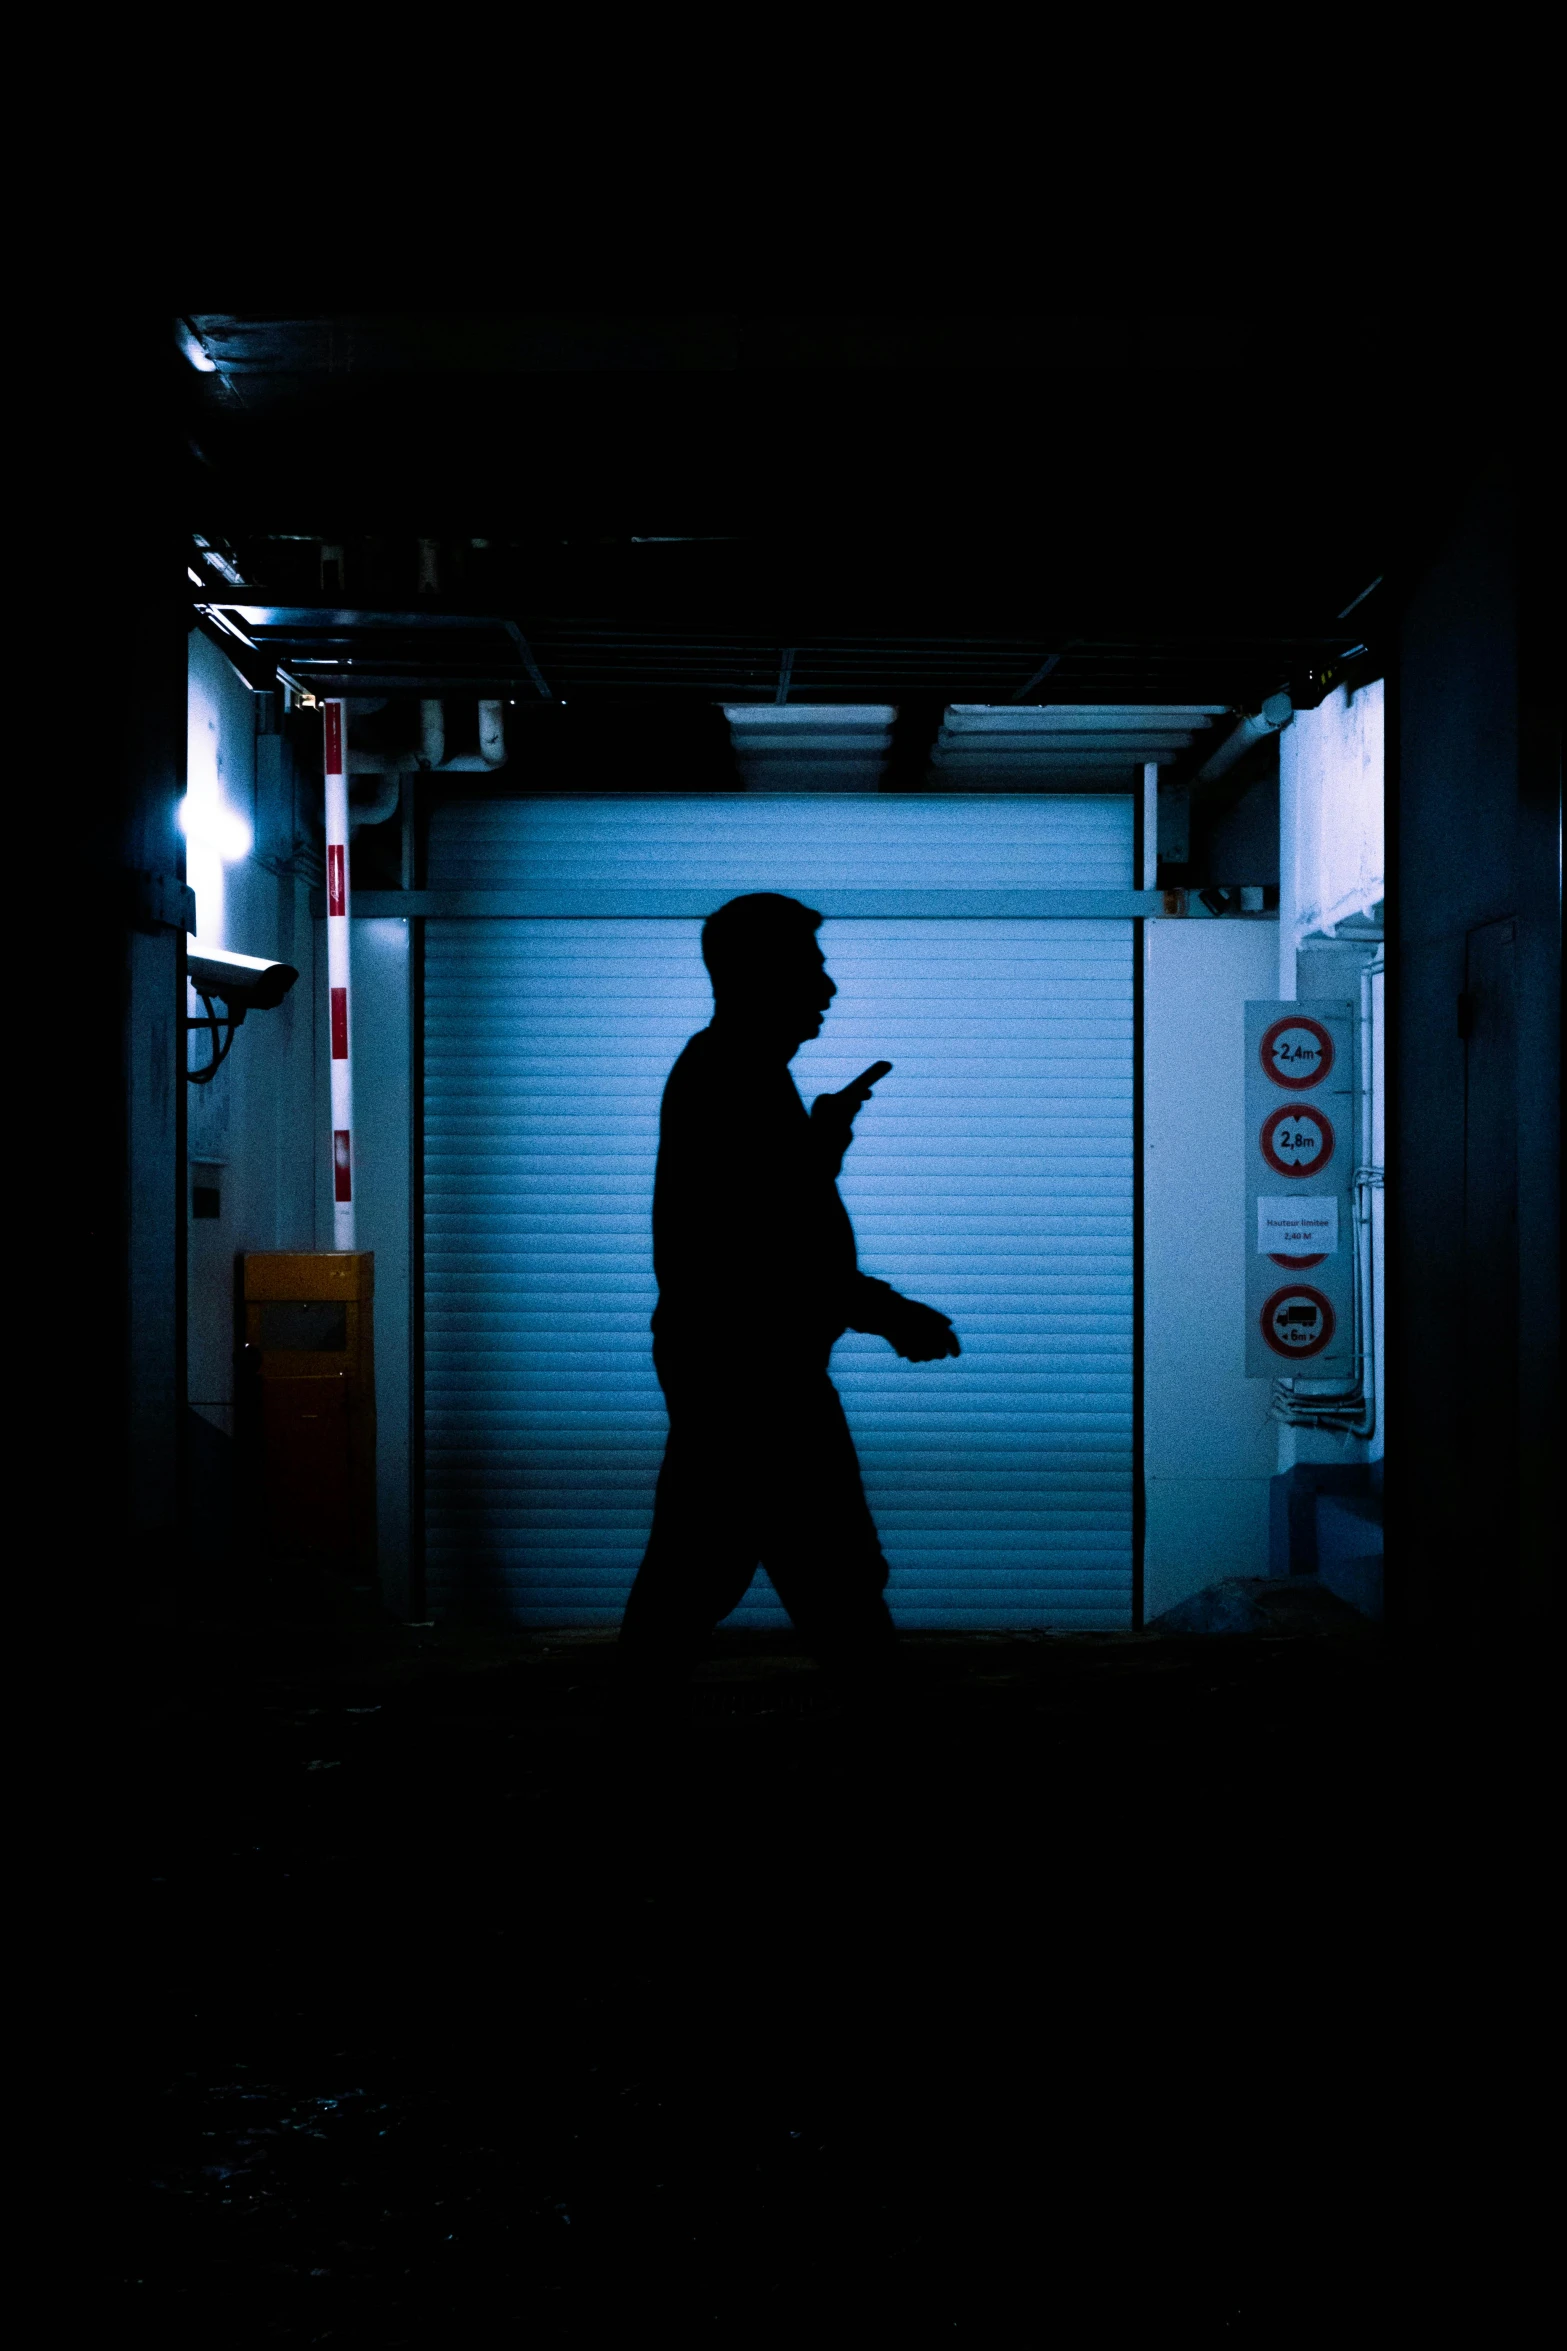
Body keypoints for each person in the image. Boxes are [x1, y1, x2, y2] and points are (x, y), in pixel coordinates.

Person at [618, 892, 959, 1696]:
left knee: (715, 1567)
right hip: (753, 1380)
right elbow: (759, 1251)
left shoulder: (738, 1074)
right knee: (817, 1572)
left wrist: (820, 1141)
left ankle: (631, 1735)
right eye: (809, 968)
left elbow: (764, 1213)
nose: (827, 989)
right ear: (755, 976)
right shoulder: (731, 1079)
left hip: (740, 1373)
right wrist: (884, 1311)